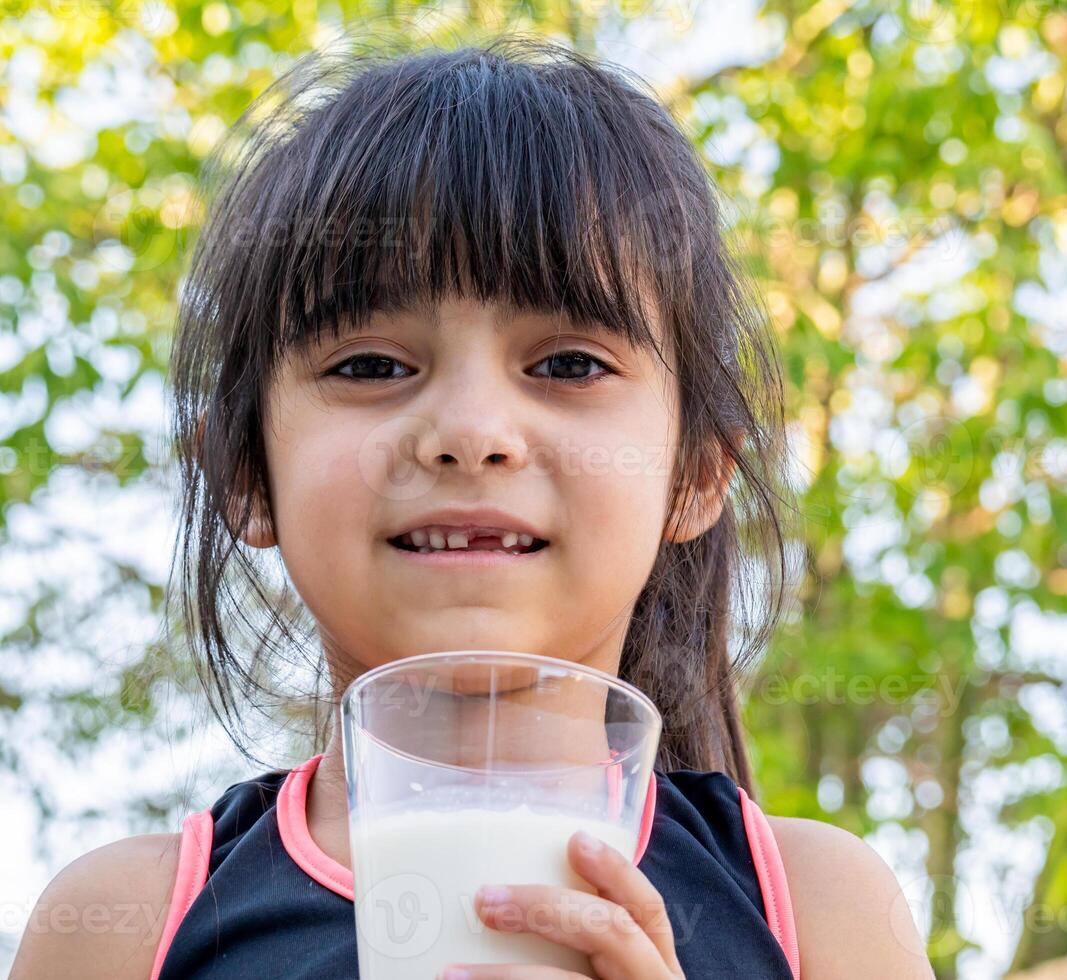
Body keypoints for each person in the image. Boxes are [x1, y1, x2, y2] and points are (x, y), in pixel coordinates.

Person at [12, 33, 934, 980]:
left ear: (697, 471)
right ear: (244, 472)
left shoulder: (818, 909)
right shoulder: (128, 928)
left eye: (568, 364)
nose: (470, 431)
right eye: (370, 365)